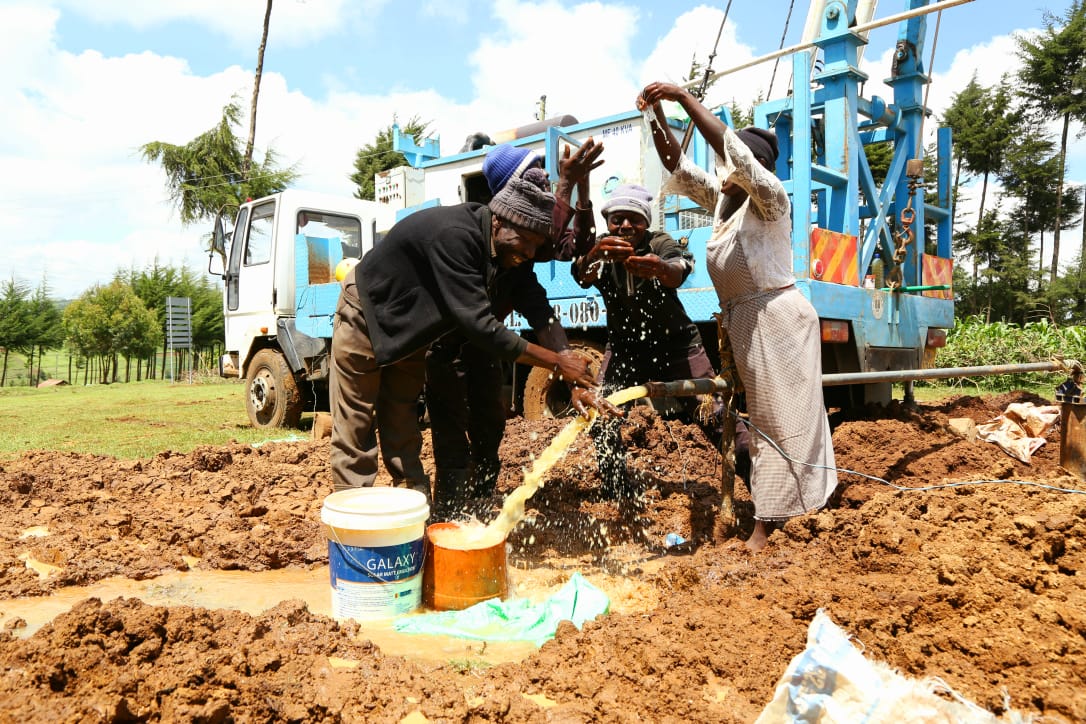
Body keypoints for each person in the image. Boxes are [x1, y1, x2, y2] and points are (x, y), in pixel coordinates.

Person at [638, 81, 837, 552]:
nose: (721, 171)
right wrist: (656, 116)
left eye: (729, 163)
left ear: (750, 167)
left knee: (779, 421)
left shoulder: (770, 199)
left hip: (778, 322)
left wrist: (685, 98)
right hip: (748, 323)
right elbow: (677, 166)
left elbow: (734, 152)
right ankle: (810, 506)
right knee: (777, 418)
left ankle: (767, 527)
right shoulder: (726, 204)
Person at [329, 174, 609, 503]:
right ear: (499, 223)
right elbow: (480, 326)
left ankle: (412, 518)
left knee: (401, 420)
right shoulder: (455, 236)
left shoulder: (512, 259)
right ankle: (354, 527)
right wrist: (558, 362)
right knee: (356, 425)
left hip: (411, 333)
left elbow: (540, 312)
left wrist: (569, 361)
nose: (531, 252)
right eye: (526, 240)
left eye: (537, 244)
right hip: (366, 311)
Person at [425, 140, 611, 520]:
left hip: (485, 348)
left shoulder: (520, 258)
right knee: (450, 434)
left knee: (490, 423)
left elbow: (542, 311)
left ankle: (480, 501)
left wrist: (573, 372)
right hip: (447, 347)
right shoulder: (471, 239)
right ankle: (448, 517)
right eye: (533, 182)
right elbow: (482, 325)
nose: (542, 187)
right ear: (507, 205)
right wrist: (566, 187)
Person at [571, 182, 719, 499]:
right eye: (617, 219)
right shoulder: (602, 249)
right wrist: (595, 254)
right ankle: (617, 494)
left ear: (646, 223)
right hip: (625, 349)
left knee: (713, 415)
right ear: (608, 222)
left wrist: (659, 269)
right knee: (601, 414)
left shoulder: (660, 243)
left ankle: (759, 485)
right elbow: (583, 275)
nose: (625, 226)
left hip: (677, 345)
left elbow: (678, 270)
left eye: (634, 219)